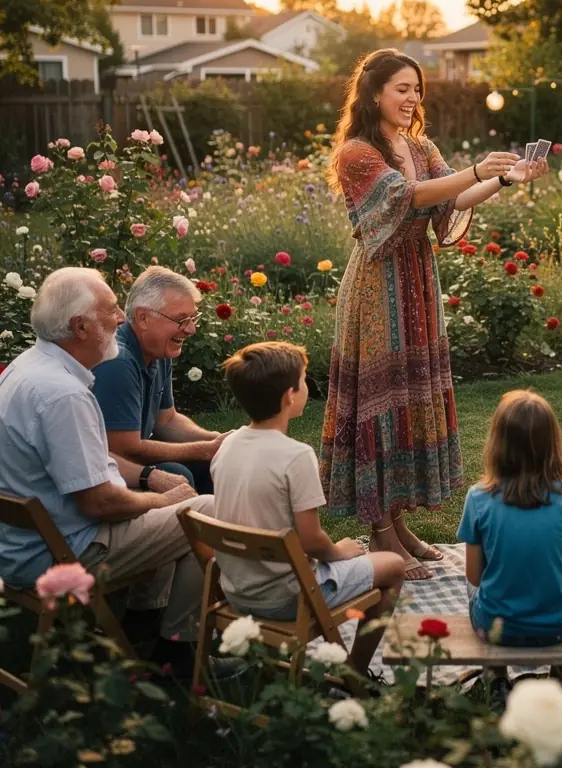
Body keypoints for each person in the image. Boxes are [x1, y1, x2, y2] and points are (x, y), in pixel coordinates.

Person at [319, 48, 548, 581]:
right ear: (374, 93)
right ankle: (379, 530)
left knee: (410, 396)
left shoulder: (420, 145)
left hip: (418, 281)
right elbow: (407, 197)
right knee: (381, 400)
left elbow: (457, 196)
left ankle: (399, 527)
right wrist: (473, 169)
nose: (412, 98)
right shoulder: (357, 152)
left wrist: (508, 178)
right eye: (402, 88)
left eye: (417, 89)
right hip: (379, 285)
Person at [0, 268, 217, 676]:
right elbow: (99, 501)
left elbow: (93, 468)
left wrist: (151, 485)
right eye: (112, 310)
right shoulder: (63, 394)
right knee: (204, 512)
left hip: (19, 544)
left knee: (170, 494)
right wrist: (162, 499)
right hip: (61, 553)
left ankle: (143, 620)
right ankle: (178, 653)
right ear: (80, 326)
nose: (121, 319)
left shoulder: (27, 368)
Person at [213, 342, 404, 677]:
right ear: (290, 395)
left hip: (237, 590)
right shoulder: (296, 456)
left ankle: (271, 665)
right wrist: (342, 552)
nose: (306, 387)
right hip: (288, 596)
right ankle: (354, 674)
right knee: (393, 566)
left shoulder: (228, 445)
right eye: (303, 380)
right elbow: (312, 541)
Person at [456, 390, 562, 647]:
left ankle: (497, 678)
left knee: (475, 589)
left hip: (493, 627)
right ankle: (561, 676)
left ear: (497, 443)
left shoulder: (477, 498)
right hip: (559, 626)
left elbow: (474, 576)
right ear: (553, 442)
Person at [93, 266, 225, 494]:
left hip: (127, 461)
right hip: (108, 473)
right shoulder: (119, 361)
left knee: (214, 464)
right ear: (143, 318)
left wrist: (218, 441)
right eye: (181, 319)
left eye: (193, 318)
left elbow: (166, 421)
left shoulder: (157, 349)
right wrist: (205, 449)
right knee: (178, 472)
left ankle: (216, 525)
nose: (191, 329)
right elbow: (125, 449)